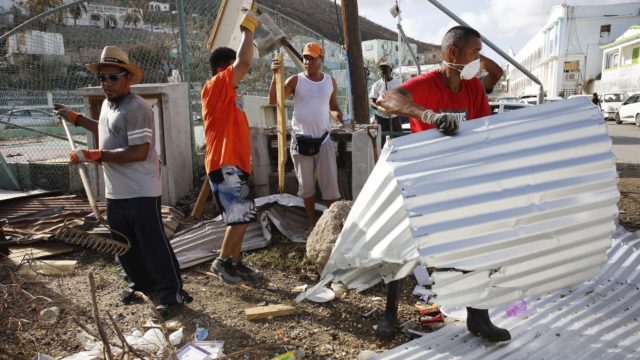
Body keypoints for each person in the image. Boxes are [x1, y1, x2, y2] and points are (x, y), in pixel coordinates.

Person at [375, 25, 510, 342]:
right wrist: (430, 116)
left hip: (461, 182)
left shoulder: (472, 88)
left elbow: (480, 128)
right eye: (474, 52)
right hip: (423, 182)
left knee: (476, 247)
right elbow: (386, 100)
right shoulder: (425, 84)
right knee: (403, 248)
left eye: (480, 52)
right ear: (452, 53)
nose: (479, 58)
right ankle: (390, 316)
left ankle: (478, 318)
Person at [53, 46, 191, 318]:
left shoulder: (137, 108)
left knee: (153, 243)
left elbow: (139, 151)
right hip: (116, 192)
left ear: (127, 78)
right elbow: (107, 130)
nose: (106, 84)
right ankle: (143, 283)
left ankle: (171, 293)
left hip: (141, 190)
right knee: (124, 244)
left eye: (112, 77)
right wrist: (76, 119)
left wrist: (96, 155)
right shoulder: (107, 104)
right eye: (102, 78)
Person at [201, 9, 261, 284]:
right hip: (224, 164)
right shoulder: (215, 86)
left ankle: (235, 263)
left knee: (244, 215)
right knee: (239, 216)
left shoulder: (227, 97)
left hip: (233, 164)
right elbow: (245, 60)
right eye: (232, 68)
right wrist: (248, 28)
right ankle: (222, 262)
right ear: (222, 69)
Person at [268, 42, 346, 235]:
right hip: (301, 142)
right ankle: (312, 224)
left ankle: (331, 227)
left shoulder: (330, 82)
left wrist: (341, 117)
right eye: (305, 57)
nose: (308, 61)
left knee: (330, 187)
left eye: (312, 57)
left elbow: (333, 106)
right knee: (307, 188)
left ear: (321, 59)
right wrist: (275, 76)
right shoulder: (295, 80)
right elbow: (273, 100)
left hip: (324, 141)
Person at [370, 63, 403, 136]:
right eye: (381, 71)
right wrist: (381, 109)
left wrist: (395, 108)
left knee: (398, 137)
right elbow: (372, 102)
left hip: (394, 116)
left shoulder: (398, 83)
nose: (383, 73)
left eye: (385, 71)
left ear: (390, 71)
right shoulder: (376, 85)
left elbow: (403, 99)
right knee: (381, 139)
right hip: (380, 117)